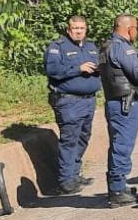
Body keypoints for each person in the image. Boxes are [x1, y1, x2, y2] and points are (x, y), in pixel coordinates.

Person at [99, 14, 138, 208]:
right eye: (136, 28)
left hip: (116, 103)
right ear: (129, 28)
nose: (137, 32)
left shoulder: (107, 46)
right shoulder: (122, 48)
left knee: (119, 144)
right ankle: (116, 190)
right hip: (125, 104)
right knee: (122, 145)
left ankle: (119, 186)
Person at [43, 15, 100, 196]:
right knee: (70, 139)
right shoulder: (57, 47)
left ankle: (74, 174)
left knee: (83, 137)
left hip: (89, 100)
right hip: (69, 101)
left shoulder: (91, 47)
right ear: (68, 30)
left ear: (86, 29)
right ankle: (66, 181)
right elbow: (52, 70)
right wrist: (78, 68)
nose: (78, 31)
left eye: (82, 28)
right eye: (75, 28)